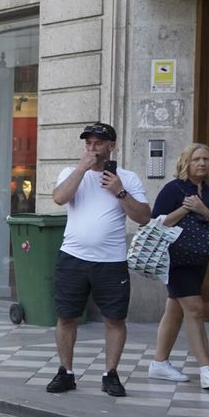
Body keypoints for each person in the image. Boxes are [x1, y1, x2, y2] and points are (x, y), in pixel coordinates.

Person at [45, 122, 150, 397]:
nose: (92, 148)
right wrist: (81, 169)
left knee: (114, 319)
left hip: (112, 261)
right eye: (88, 143)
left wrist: (120, 191)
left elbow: (143, 217)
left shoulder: (127, 178)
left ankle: (111, 374)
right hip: (73, 257)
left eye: (98, 143)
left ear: (111, 146)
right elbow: (59, 198)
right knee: (66, 316)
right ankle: (66, 372)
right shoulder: (71, 172)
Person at [149, 143, 209, 390]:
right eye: (196, 159)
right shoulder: (174, 189)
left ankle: (159, 363)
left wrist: (204, 210)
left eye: (206, 159)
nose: (202, 164)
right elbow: (156, 224)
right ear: (186, 162)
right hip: (175, 259)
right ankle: (206, 369)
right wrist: (185, 208)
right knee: (194, 309)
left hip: (199, 260)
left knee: (175, 309)